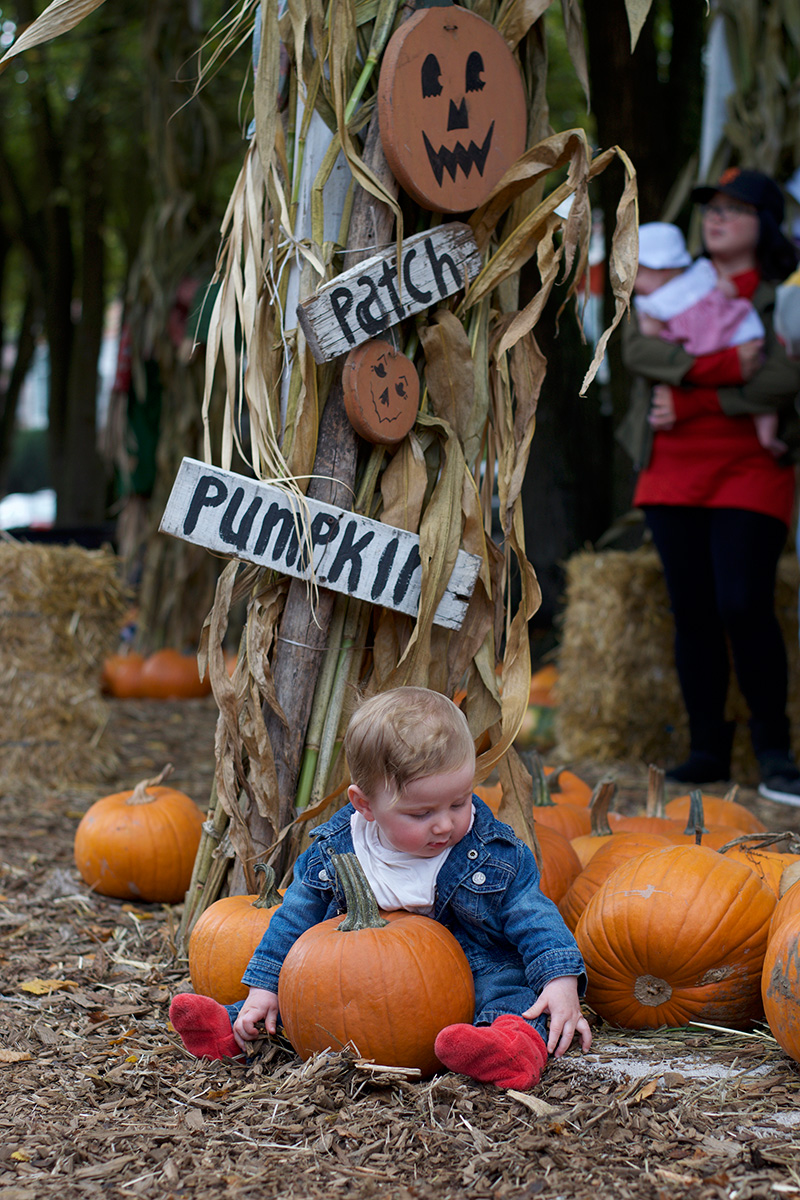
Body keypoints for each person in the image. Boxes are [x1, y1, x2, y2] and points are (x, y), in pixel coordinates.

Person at [170, 687, 591, 1089]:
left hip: (474, 968)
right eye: (422, 812)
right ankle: (231, 1031)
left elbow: (532, 914)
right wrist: (264, 986)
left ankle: (511, 1049)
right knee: (294, 1004)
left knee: (510, 995)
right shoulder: (335, 852)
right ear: (365, 805)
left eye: (459, 802)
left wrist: (560, 979)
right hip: (357, 985)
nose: (445, 824)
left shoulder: (490, 851)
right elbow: (292, 920)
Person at [619, 167, 800, 804]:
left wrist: (695, 398)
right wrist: (726, 369)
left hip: (750, 467)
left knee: (742, 601)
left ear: (766, 222)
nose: (717, 217)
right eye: (711, 208)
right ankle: (707, 752)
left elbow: (781, 380)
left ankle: (776, 754)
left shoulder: (784, 293)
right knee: (692, 609)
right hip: (671, 468)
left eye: (735, 208)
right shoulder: (678, 284)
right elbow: (637, 352)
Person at [634, 222, 783, 456]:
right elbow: (647, 336)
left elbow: (727, 290)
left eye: (638, 272)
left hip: (734, 334)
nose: (632, 283)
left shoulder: (699, 274)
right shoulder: (650, 303)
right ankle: (767, 433)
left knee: (762, 399)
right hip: (716, 348)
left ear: (663, 267)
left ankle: (768, 436)